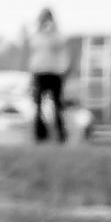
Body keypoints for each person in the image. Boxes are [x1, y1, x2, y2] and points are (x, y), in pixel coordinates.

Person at [29, 8, 68, 142]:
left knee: (57, 105)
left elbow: (59, 45)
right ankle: (40, 134)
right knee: (38, 105)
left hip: (54, 73)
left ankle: (61, 135)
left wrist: (53, 29)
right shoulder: (36, 35)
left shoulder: (57, 35)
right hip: (40, 72)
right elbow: (33, 49)